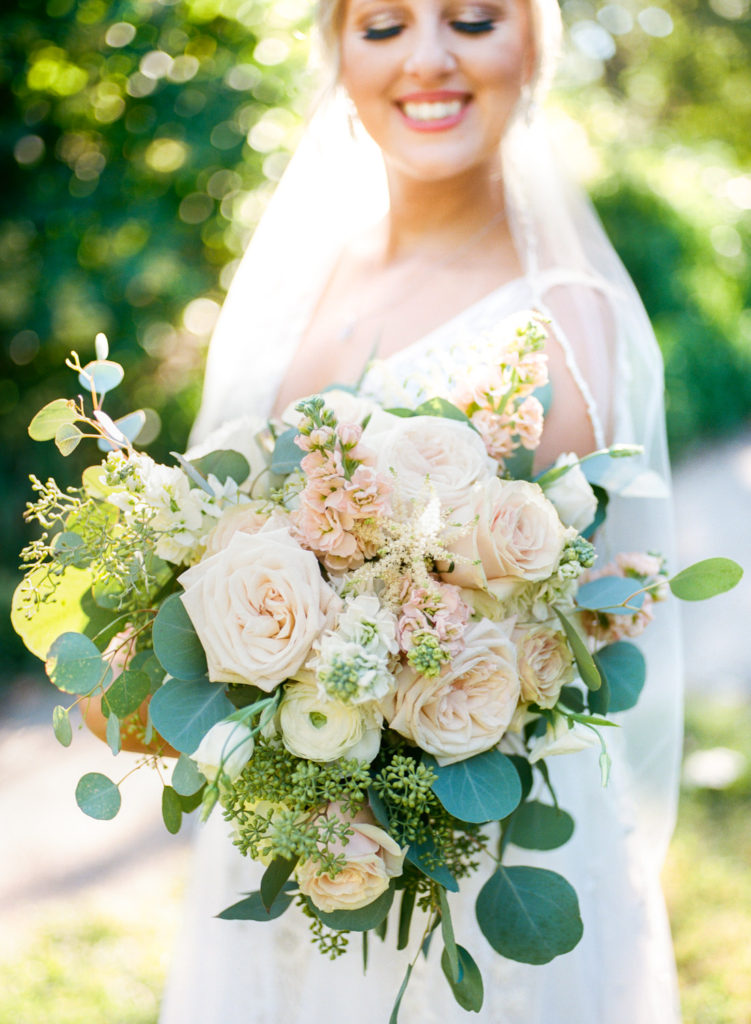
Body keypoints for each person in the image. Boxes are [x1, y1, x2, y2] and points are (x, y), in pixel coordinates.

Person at [160, 0, 684, 1020]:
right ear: (337, 50)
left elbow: (579, 622)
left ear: (535, 40)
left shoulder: (564, 314)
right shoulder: (300, 277)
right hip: (285, 843)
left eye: (474, 19)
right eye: (384, 24)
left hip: (465, 865)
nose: (429, 60)